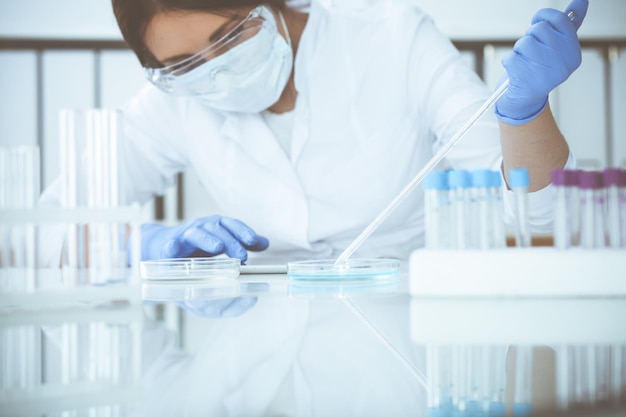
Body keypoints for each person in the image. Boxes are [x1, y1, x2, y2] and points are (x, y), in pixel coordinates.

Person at [41, 0, 588, 265]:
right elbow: (41, 233)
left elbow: (537, 222)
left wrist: (525, 112)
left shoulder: (394, 39)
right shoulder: (175, 102)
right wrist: (143, 245)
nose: (216, 66)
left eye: (230, 34)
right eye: (185, 62)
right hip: (257, 348)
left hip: (401, 321)